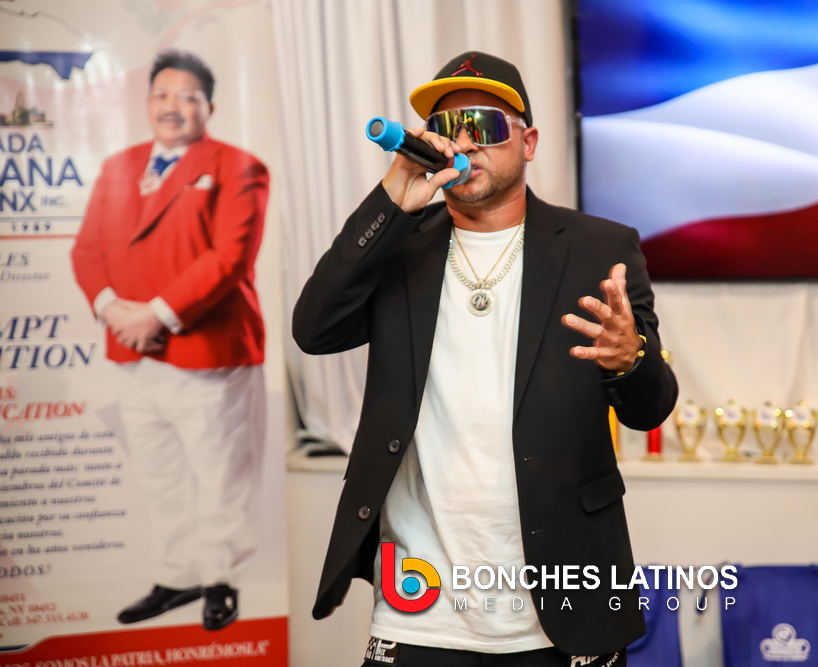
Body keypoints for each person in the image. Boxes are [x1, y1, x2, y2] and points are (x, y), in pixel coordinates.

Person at [294, 51, 678, 667]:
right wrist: (392, 198)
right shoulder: (400, 246)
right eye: (448, 128)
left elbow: (650, 409)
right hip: (419, 604)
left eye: (487, 126)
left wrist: (628, 358)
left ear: (528, 142)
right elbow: (314, 329)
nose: (466, 143)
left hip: (561, 604)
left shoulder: (600, 247)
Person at [71, 50, 269, 632]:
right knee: (160, 474)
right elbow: (87, 250)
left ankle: (221, 580)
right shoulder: (118, 165)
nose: (172, 106)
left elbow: (229, 257)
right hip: (134, 354)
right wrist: (110, 308)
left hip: (208, 355)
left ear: (209, 106)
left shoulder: (240, 166)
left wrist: (156, 314)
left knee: (220, 474)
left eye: (187, 96)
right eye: (161, 94)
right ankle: (176, 575)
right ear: (147, 102)